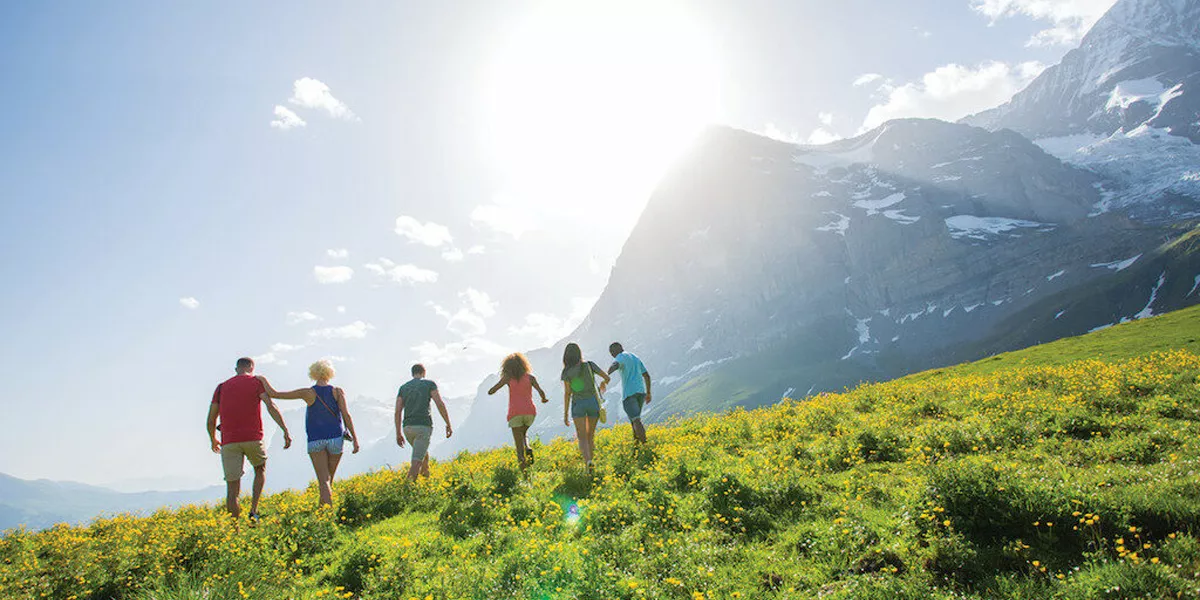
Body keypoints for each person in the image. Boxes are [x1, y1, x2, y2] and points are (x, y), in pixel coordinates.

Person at [257, 360, 360, 507]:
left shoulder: (307, 393)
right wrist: (355, 439)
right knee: (328, 479)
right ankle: (322, 511)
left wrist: (262, 380)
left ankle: (326, 513)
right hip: (336, 439)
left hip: (315, 439)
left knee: (323, 481)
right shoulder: (337, 392)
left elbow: (275, 394)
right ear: (330, 373)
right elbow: (346, 415)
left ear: (313, 373)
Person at [206, 357, 292, 520]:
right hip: (253, 437)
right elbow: (270, 406)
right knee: (260, 469)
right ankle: (253, 510)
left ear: (236, 369)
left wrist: (213, 439)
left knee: (232, 489)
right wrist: (284, 430)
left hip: (229, 441)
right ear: (252, 368)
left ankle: (234, 528)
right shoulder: (256, 382)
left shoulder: (221, 387)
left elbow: (211, 420)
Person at [487, 352, 550, 470]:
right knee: (523, 433)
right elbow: (541, 392)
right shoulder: (530, 378)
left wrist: (500, 384)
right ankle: (528, 447)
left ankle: (524, 474)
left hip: (515, 413)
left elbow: (491, 391)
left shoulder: (508, 378)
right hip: (530, 412)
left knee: (519, 447)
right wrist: (543, 399)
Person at [396, 363, 453, 481]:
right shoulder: (429, 384)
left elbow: (397, 411)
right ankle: (406, 488)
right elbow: (439, 404)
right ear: (424, 373)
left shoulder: (403, 388)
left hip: (407, 428)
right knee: (416, 462)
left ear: (412, 373)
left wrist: (398, 433)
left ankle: (425, 481)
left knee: (423, 454)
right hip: (423, 426)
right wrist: (448, 423)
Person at [560, 343, 610, 473]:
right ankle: (591, 462)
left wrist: (565, 414)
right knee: (590, 436)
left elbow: (567, 393)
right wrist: (603, 383)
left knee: (582, 437)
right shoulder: (589, 365)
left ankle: (588, 462)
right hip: (593, 403)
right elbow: (607, 377)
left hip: (578, 405)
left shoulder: (566, 372)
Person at [608, 342, 653, 445]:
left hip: (629, 394)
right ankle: (636, 447)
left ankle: (645, 445)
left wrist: (607, 372)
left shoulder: (620, 357)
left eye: (611, 353)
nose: (612, 355)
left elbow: (615, 365)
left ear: (614, 352)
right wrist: (648, 393)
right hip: (640, 393)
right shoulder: (635, 357)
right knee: (634, 420)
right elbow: (646, 375)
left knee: (636, 420)